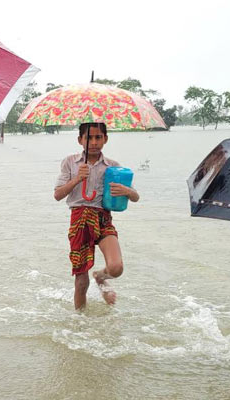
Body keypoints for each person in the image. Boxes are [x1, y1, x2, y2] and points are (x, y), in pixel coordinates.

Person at [54, 122, 139, 309]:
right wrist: (77, 178)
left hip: (103, 219)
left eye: (98, 137)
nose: (93, 142)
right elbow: (58, 194)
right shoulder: (70, 162)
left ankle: (100, 277)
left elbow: (135, 197)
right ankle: (80, 322)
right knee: (81, 279)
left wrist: (126, 190)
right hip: (79, 220)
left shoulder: (113, 167)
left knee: (116, 268)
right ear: (80, 140)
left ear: (105, 139)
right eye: (88, 138)